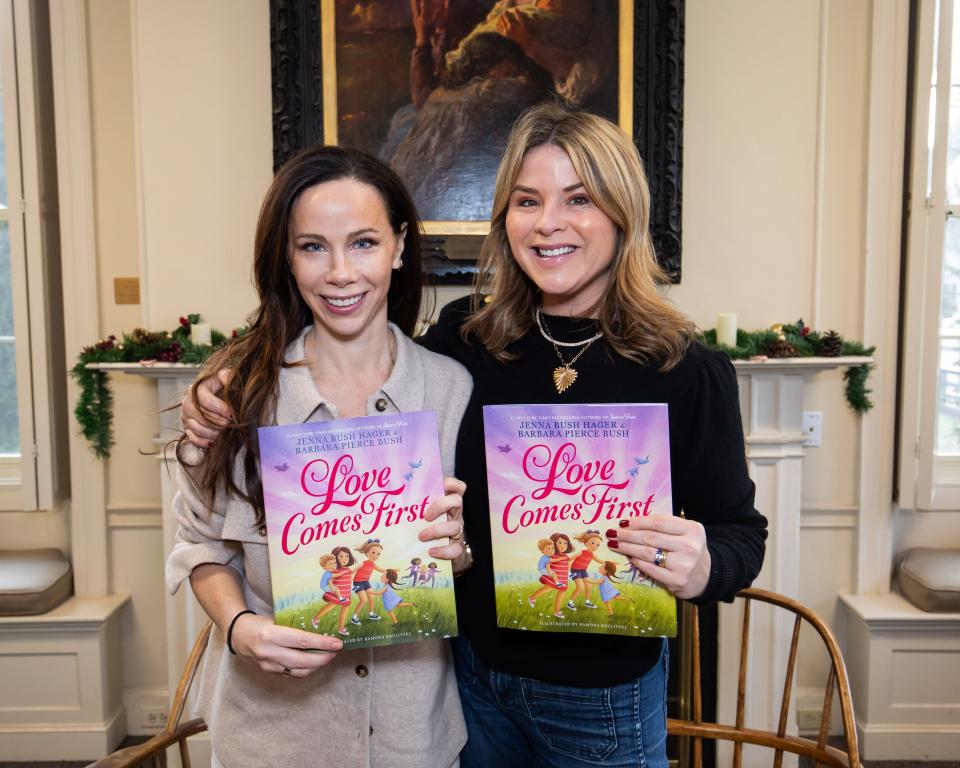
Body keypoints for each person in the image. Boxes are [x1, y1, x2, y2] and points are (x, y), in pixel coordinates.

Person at [182, 102, 768, 767]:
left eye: (578, 199)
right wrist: (231, 376)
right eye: (527, 200)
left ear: (622, 212)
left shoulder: (686, 369)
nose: (549, 224)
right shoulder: (468, 344)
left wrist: (706, 565)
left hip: (601, 696)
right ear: (505, 217)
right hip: (469, 685)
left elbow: (740, 533)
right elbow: (351, 354)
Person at [166, 145, 473, 767]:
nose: (339, 273)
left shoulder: (453, 387)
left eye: (362, 242)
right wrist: (240, 629)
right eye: (313, 247)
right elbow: (199, 546)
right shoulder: (235, 396)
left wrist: (459, 552)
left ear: (400, 246)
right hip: (273, 738)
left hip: (414, 738)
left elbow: (473, 556)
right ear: (286, 256)